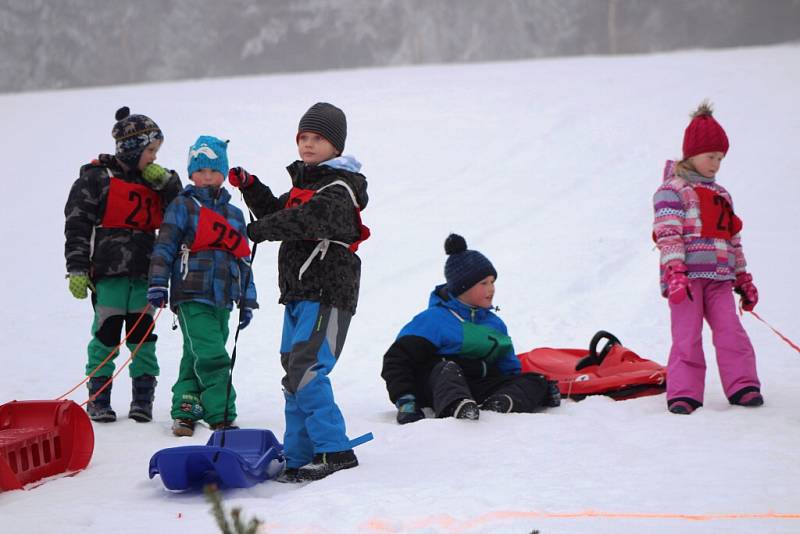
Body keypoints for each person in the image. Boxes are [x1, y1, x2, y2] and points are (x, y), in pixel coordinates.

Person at [227, 102, 371, 481]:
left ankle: (334, 450)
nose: (308, 145)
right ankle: (299, 455)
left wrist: (262, 229)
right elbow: (280, 211)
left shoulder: (341, 188)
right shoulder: (304, 185)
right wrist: (251, 187)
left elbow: (306, 219)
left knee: (308, 369)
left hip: (328, 291)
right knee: (293, 372)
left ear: (336, 146)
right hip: (298, 293)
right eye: (303, 137)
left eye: (318, 138)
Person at [64, 106, 181, 423]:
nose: (154, 158)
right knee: (106, 336)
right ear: (132, 149)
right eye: (150, 151)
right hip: (108, 275)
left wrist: (167, 183)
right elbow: (77, 226)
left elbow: (180, 212)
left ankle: (142, 398)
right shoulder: (96, 180)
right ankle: (99, 399)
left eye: (156, 151)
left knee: (143, 338)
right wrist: (76, 268)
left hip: (145, 275)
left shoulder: (154, 182)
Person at [653, 101, 762, 415]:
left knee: (731, 331)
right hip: (684, 281)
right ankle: (684, 393)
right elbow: (668, 233)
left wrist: (743, 278)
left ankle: (743, 385)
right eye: (710, 156)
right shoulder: (672, 190)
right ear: (692, 154)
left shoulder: (721, 195)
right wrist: (675, 271)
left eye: (720, 158)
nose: (715, 164)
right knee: (686, 337)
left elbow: (733, 240)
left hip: (720, 279)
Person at [381, 234, 560, 424]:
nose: (491, 289)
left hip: (478, 386)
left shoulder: (495, 324)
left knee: (536, 380)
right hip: (438, 387)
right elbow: (397, 360)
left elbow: (509, 368)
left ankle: (502, 403)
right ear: (462, 287)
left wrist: (532, 387)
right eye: (483, 283)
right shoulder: (434, 320)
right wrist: (406, 400)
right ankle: (456, 406)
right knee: (447, 368)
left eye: (493, 282)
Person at [147, 135, 258, 437]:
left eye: (213, 170)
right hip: (191, 292)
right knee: (212, 355)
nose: (206, 176)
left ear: (223, 173)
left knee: (194, 352)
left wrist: (248, 299)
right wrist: (158, 283)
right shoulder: (183, 206)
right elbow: (165, 246)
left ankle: (186, 408)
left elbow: (243, 261)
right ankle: (221, 414)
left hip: (223, 298)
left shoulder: (234, 216)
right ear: (190, 172)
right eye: (200, 169)